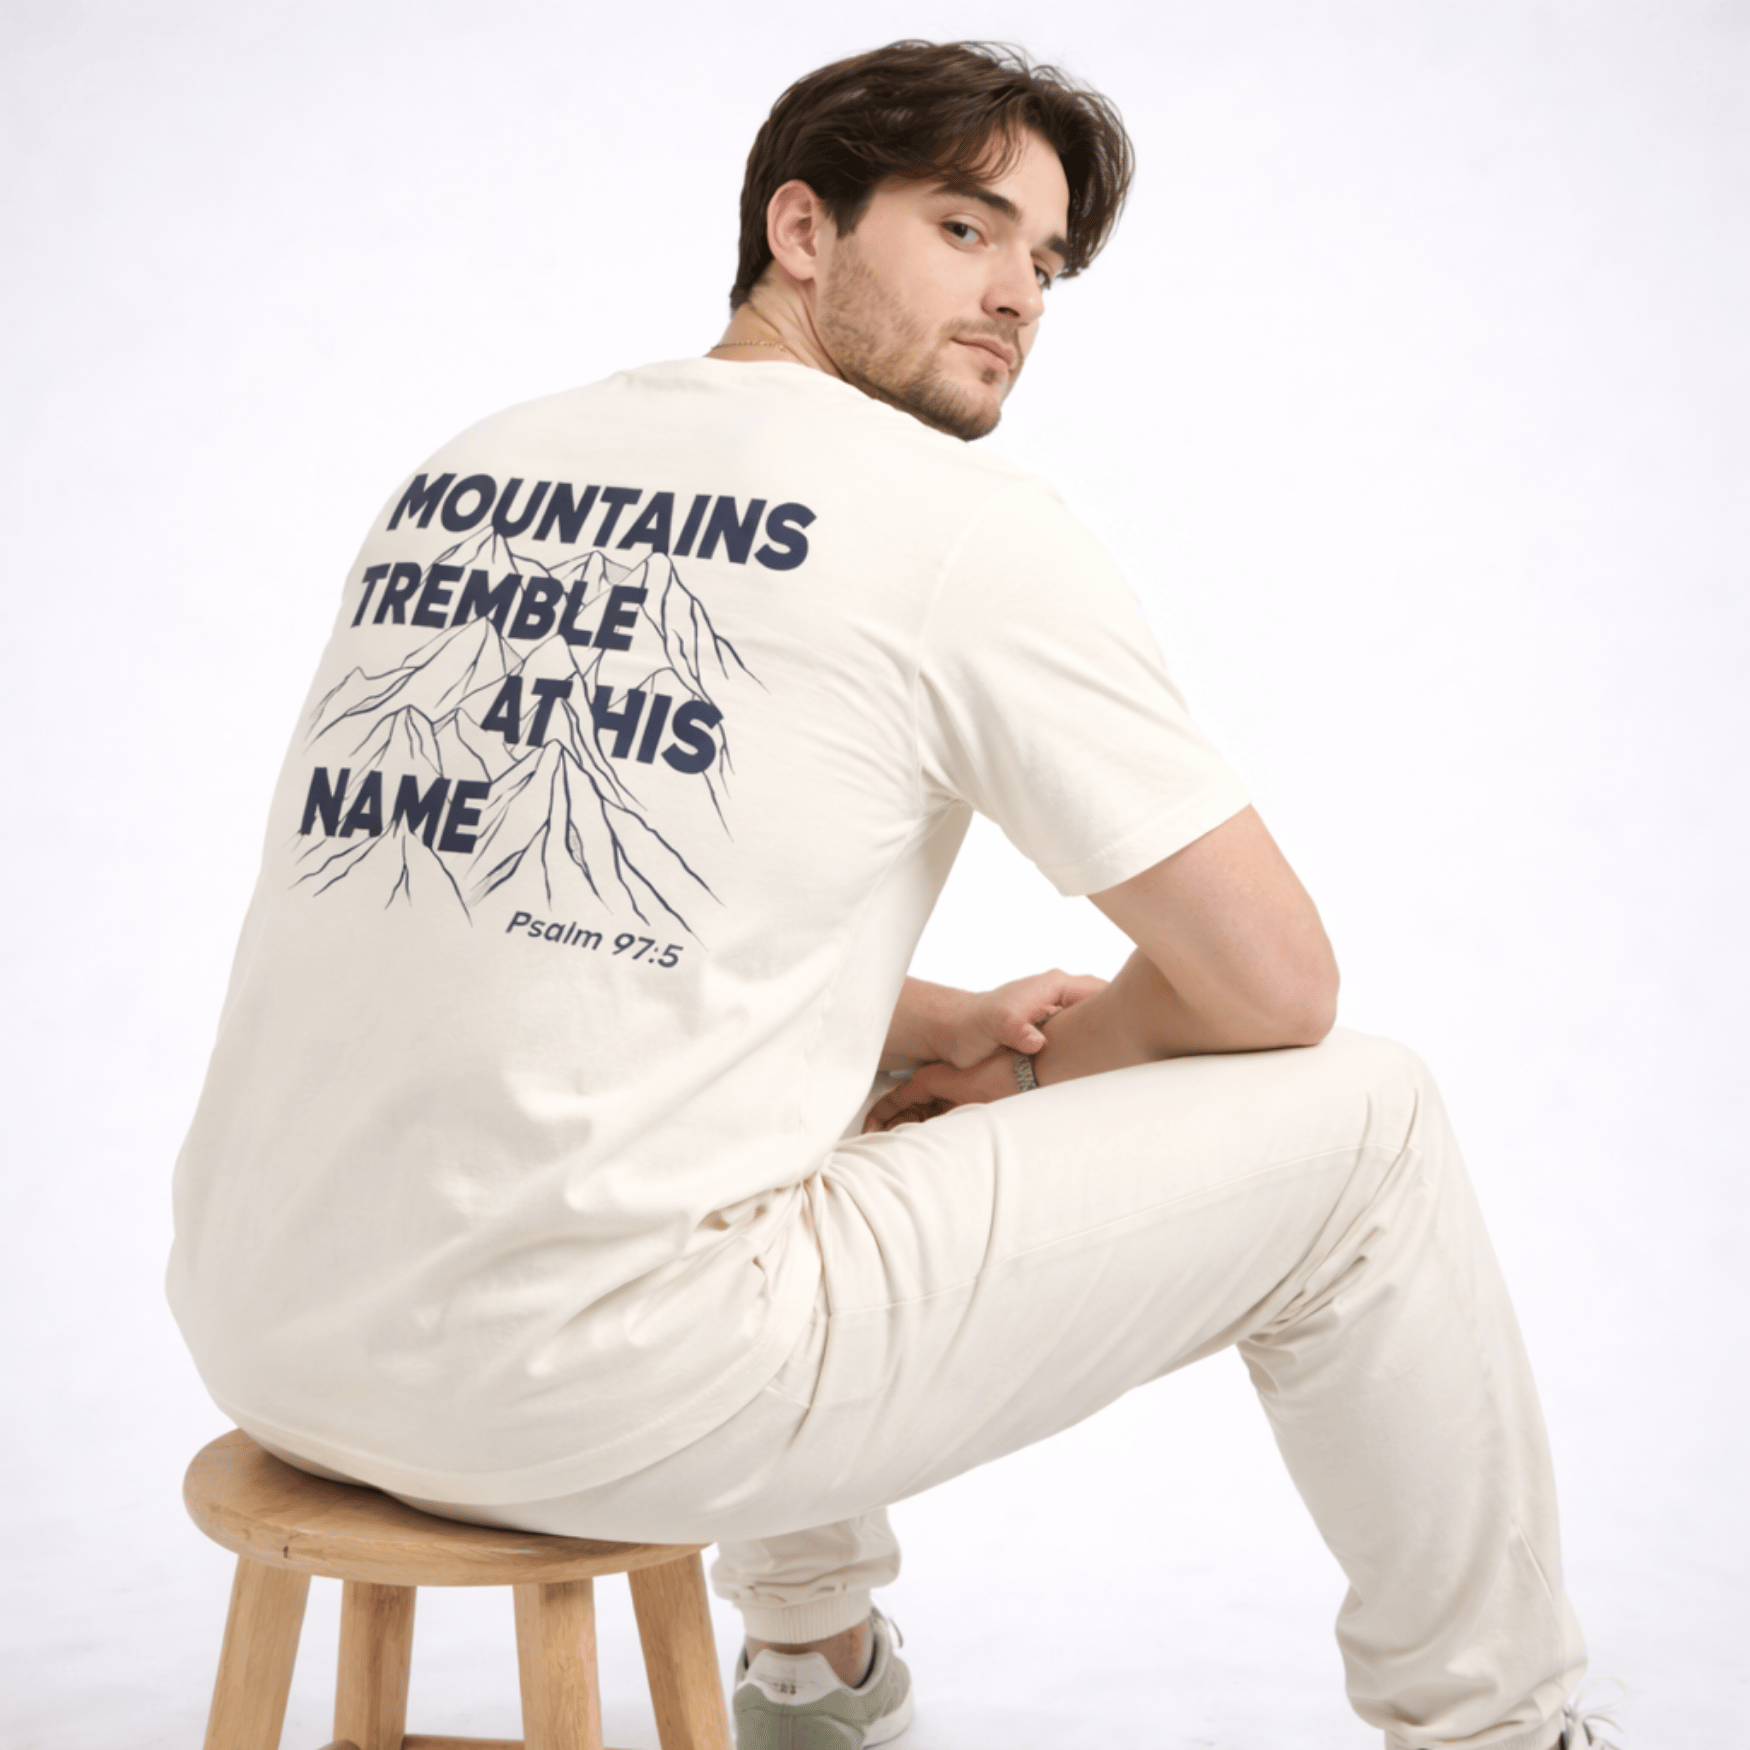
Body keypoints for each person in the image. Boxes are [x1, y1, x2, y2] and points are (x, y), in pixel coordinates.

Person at [169, 39, 1616, 1750]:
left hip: (268, 1327)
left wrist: (942, 1025)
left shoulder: (472, 463)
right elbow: (1269, 987)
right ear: (800, 225)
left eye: (1046, 263)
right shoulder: (952, 525)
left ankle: (814, 1669)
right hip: (601, 1392)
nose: (1016, 295)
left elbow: (522, 899)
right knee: (1369, 1119)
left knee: (800, 1093)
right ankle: (1504, 1732)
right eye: (964, 227)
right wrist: (1030, 1070)